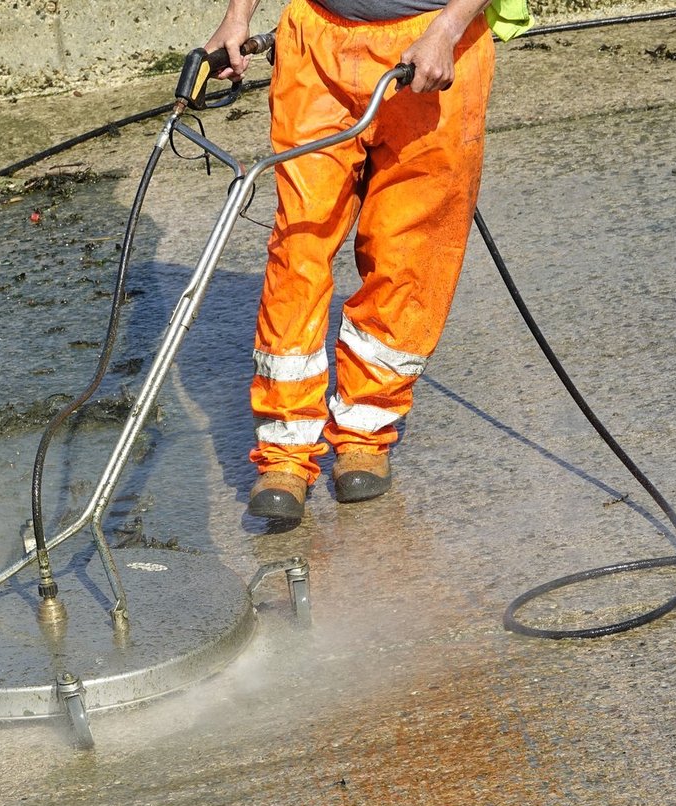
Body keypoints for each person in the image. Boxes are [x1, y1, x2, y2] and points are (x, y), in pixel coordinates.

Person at [205, 0, 508, 523]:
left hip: (432, 42)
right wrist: (237, 16)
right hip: (317, 41)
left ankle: (366, 428)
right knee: (299, 245)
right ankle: (285, 450)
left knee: (408, 250)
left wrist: (448, 26)